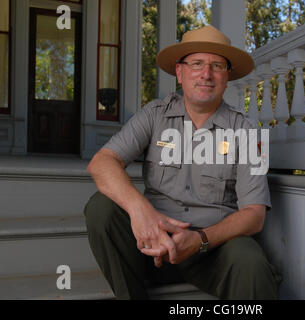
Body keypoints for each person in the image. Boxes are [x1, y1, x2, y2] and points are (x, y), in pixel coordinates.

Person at [84, 25, 279, 300]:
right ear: (180, 71)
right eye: (196, 63)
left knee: (250, 262)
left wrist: (200, 241)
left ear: (227, 75)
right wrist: (141, 212)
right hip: (152, 243)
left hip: (212, 250)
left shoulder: (247, 132)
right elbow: (102, 162)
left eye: (217, 66)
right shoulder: (153, 115)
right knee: (100, 209)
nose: (206, 74)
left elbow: (255, 214)